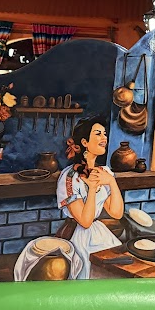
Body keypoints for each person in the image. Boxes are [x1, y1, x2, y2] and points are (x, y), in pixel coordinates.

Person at [55, 117, 124, 279]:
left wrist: (112, 182)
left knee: (115, 270)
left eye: (105, 134)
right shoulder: (70, 177)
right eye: (98, 134)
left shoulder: (104, 172)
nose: (104, 138)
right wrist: (92, 189)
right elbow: (85, 221)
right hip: (78, 236)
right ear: (84, 142)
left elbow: (116, 213)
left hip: (99, 233)